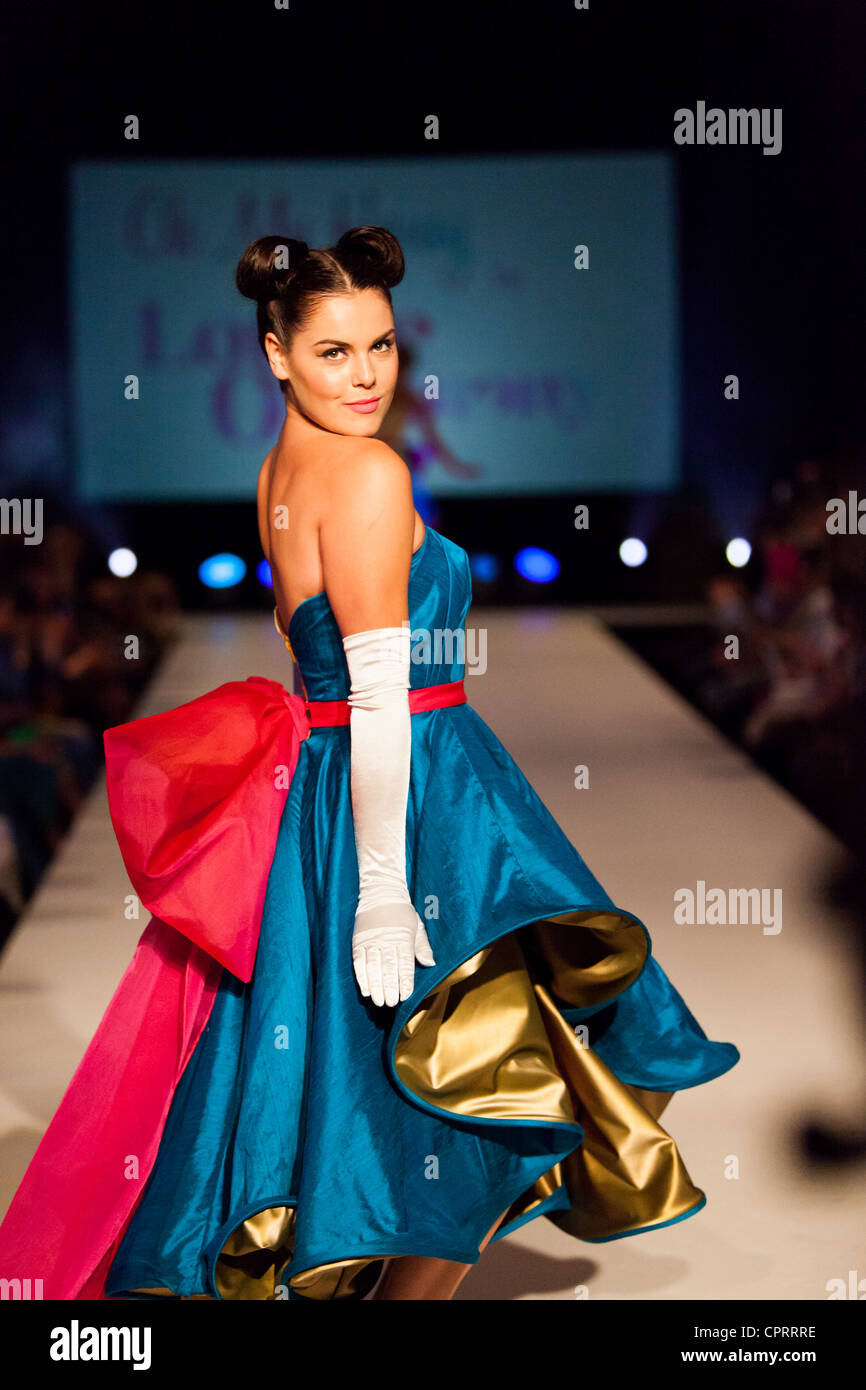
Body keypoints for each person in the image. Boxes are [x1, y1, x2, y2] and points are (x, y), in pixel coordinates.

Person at [0, 226, 739, 1303]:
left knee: (391, 1078)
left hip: (330, 793)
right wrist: (387, 887)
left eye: (381, 347)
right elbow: (381, 692)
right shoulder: (368, 472)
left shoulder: (281, 469)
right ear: (274, 352)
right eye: (335, 351)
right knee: (508, 1070)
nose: (366, 376)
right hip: (411, 788)